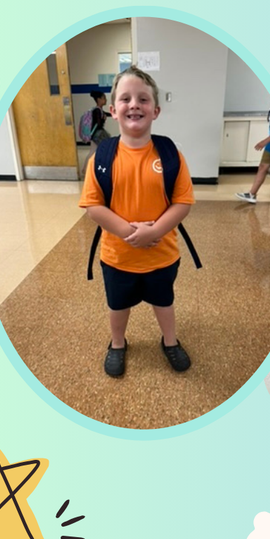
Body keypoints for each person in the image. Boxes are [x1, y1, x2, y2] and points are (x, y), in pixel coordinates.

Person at [79, 68, 195, 378]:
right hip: (118, 256)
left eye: (143, 99)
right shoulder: (102, 157)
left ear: (155, 110)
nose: (134, 105)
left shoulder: (170, 155)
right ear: (113, 110)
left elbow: (182, 201)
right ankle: (117, 343)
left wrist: (155, 231)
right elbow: (93, 205)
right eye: (125, 99)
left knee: (164, 300)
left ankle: (170, 341)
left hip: (162, 254)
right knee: (118, 306)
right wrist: (132, 234)